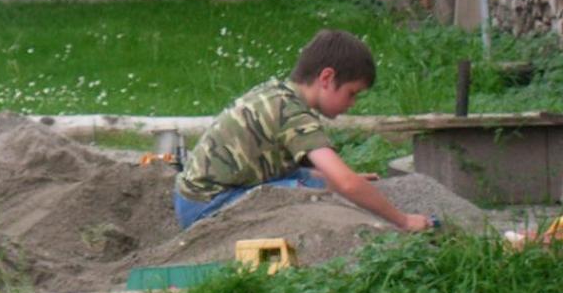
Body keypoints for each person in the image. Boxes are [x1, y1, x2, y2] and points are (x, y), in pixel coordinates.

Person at [173, 28, 432, 232]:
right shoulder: (293, 114)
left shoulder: (278, 93)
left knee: (312, 179)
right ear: (327, 78)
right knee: (308, 194)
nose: (352, 103)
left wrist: (336, 180)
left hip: (194, 198)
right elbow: (345, 182)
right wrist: (403, 220)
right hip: (208, 207)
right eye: (351, 93)